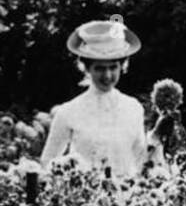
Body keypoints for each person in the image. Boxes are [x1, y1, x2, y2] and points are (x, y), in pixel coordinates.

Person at [39, 17, 148, 178]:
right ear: (87, 69)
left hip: (126, 197)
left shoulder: (133, 108)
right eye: (99, 69)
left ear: (122, 66)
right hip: (84, 199)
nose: (107, 75)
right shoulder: (68, 112)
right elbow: (48, 163)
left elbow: (141, 159)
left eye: (113, 67)